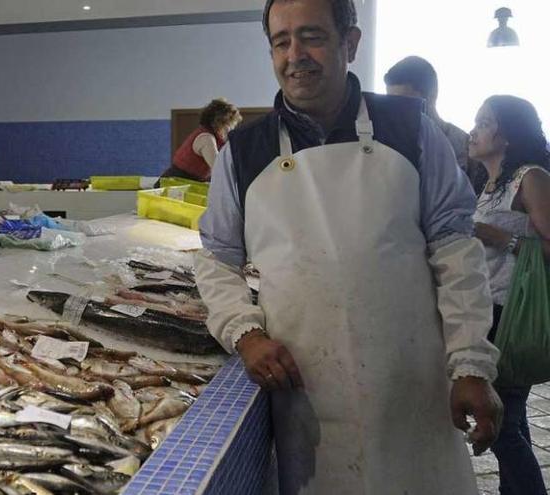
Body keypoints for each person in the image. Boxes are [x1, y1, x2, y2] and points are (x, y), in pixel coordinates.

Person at [194, 0, 502, 493]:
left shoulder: (410, 129)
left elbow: (455, 250)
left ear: (350, 43)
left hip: (412, 387)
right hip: (307, 395)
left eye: (312, 36)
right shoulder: (243, 152)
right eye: (281, 41)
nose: (296, 54)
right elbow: (217, 259)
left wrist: (471, 364)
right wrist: (245, 334)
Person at [469, 95, 550, 495]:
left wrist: (506, 239)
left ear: (508, 133)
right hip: (490, 308)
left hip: (512, 311)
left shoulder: (530, 177)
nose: (474, 130)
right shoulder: (490, 184)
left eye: (484, 122)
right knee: (511, 422)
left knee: (502, 424)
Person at [384, 56, 482, 187]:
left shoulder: (465, 146)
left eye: (404, 103)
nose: (396, 110)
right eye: (391, 103)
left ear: (431, 96)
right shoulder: (388, 144)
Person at [161, 98, 242, 182]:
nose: (230, 128)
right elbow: (219, 169)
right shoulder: (206, 138)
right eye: (229, 124)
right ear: (219, 122)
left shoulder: (213, 136)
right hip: (173, 182)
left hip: (185, 181)